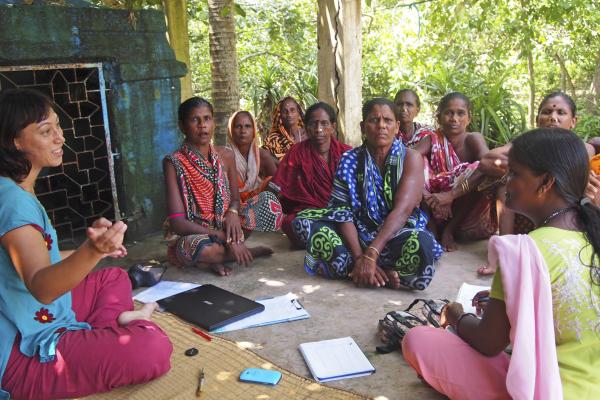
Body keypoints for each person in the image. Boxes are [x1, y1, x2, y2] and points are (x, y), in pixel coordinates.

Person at [0, 88, 173, 399]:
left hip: (35, 312)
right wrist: (93, 252)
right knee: (153, 348)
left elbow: (41, 254)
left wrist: (91, 248)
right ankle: (124, 328)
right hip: (22, 349)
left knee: (113, 276)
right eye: (45, 131)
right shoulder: (13, 203)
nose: (60, 138)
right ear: (14, 141)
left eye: (57, 126)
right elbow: (43, 286)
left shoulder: (14, 189)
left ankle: (113, 326)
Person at [402, 128, 600, 399]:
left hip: (546, 392)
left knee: (419, 339)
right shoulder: (593, 235)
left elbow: (489, 342)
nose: (506, 180)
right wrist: (509, 304)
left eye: (515, 173)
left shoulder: (524, 251)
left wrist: (457, 316)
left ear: (546, 182)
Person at [296, 98, 443, 290]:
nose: (381, 126)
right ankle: (372, 272)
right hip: (357, 235)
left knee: (422, 244)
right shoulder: (349, 159)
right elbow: (343, 212)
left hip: (395, 234)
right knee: (304, 223)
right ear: (363, 126)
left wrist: (371, 254)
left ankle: (360, 270)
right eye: (374, 120)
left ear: (397, 126)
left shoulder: (410, 158)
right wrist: (360, 257)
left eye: (387, 121)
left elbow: (403, 210)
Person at [477, 91, 600, 274]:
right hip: (529, 209)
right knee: (506, 181)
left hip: (566, 213)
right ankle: (506, 250)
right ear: (537, 119)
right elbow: (487, 160)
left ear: (573, 121)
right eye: (547, 112)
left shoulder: (582, 148)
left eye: (561, 113)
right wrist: (518, 168)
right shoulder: (528, 144)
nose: (553, 118)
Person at [163, 97, 282, 276]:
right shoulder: (173, 162)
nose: (202, 125)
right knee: (203, 249)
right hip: (196, 235)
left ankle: (218, 257)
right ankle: (238, 253)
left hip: (227, 225)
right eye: (195, 120)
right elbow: (178, 223)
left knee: (268, 203)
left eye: (207, 118)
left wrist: (233, 213)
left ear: (214, 123)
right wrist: (220, 236)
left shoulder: (225, 155)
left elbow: (235, 199)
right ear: (182, 125)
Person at [414, 92, 496, 251]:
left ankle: (449, 231)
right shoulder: (432, 139)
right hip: (433, 204)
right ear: (438, 118)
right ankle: (431, 228)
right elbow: (408, 159)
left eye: (460, 113)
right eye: (449, 113)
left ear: (469, 118)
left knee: (478, 168)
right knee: (417, 162)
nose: (454, 119)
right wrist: (427, 195)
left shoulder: (473, 138)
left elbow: (487, 163)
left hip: (465, 209)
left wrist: (451, 195)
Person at [269, 102, 351, 248]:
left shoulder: (346, 153)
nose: (319, 129)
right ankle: (337, 238)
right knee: (292, 223)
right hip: (310, 213)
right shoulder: (297, 152)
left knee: (355, 221)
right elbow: (279, 184)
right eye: (314, 124)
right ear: (306, 127)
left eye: (325, 124)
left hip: (341, 214)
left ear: (333, 127)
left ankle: (330, 238)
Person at [226, 110, 277, 202]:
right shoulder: (224, 156)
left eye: (248, 126)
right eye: (238, 126)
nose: (243, 131)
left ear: (254, 130)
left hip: (261, 206)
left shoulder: (263, 156)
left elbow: (278, 184)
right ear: (231, 130)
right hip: (232, 206)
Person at [262, 97, 306, 161]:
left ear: (298, 112)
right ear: (280, 115)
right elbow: (265, 159)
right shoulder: (273, 140)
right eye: (285, 111)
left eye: (292, 110)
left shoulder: (308, 135)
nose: (289, 115)